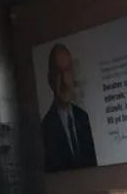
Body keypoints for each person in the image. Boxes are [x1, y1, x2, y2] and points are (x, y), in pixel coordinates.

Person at [41, 43, 98, 172]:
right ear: (50, 80)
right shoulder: (45, 129)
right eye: (59, 73)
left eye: (67, 71)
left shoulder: (83, 118)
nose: (65, 81)